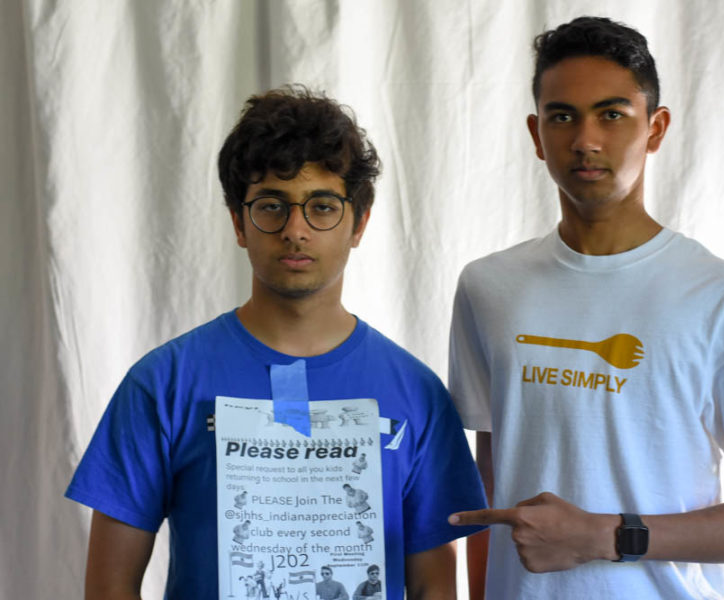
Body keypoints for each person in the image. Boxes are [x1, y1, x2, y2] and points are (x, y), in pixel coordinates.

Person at [447, 16, 724, 600]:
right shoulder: (488, 287)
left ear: (656, 127)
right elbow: (490, 490)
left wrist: (606, 535)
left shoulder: (722, 295)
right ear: (536, 132)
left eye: (612, 114)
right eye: (562, 116)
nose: (586, 140)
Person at [65, 85, 486, 599]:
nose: (295, 230)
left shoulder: (417, 393)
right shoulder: (162, 384)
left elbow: (435, 589)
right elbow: (110, 587)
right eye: (271, 206)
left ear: (360, 221)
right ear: (239, 222)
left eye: (323, 206)